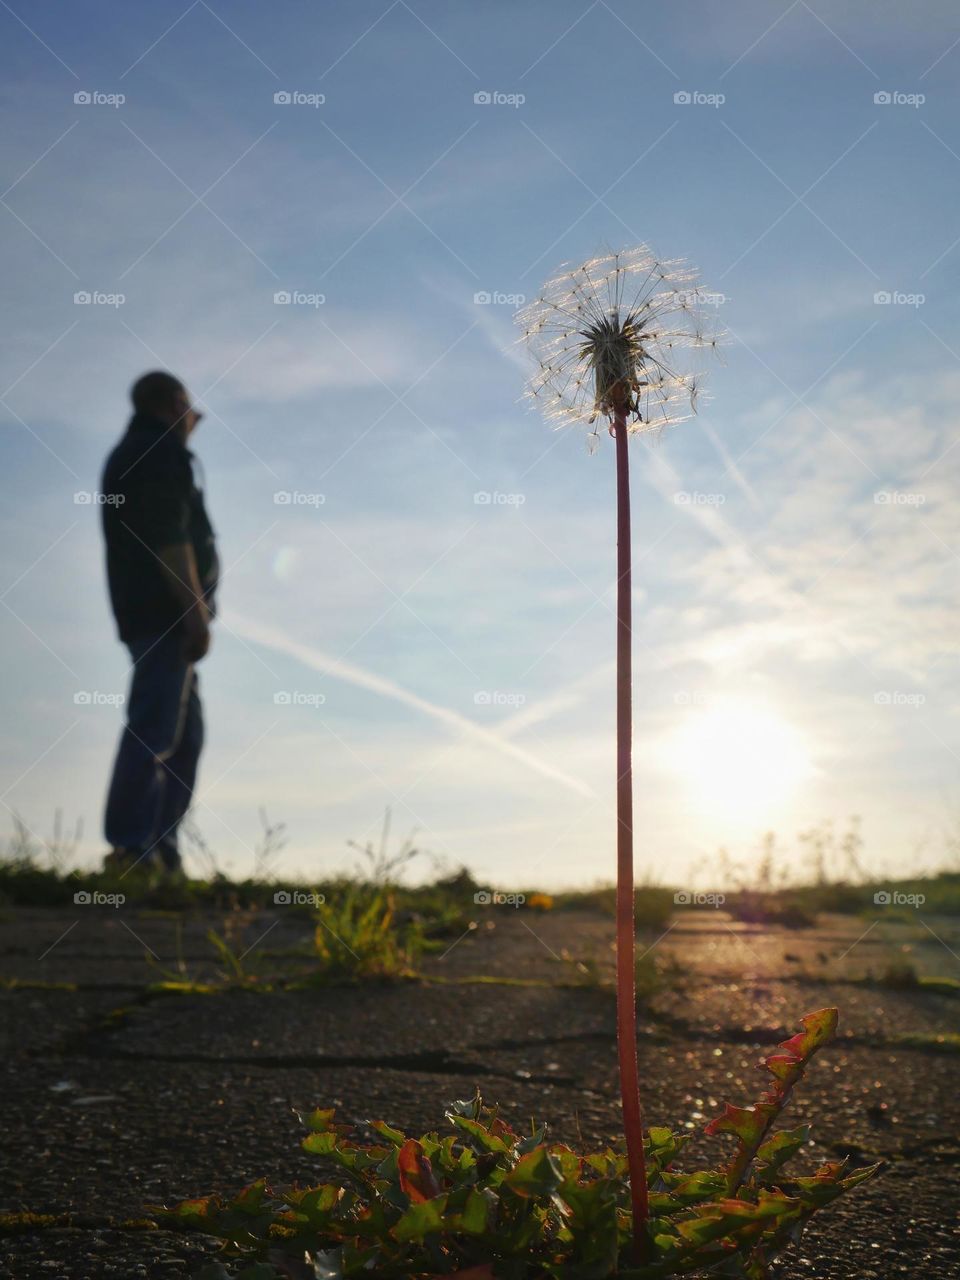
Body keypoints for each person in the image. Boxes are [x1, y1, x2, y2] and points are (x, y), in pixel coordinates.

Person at [100, 371, 219, 874]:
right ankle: (132, 850)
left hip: (149, 614)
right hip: (164, 617)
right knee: (155, 727)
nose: (195, 420)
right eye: (191, 410)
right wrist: (194, 614)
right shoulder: (159, 454)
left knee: (184, 735)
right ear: (175, 403)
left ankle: (160, 853)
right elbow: (171, 541)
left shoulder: (134, 452)